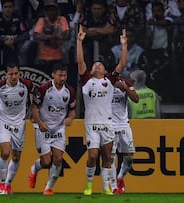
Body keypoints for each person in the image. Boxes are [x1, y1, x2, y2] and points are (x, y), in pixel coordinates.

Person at [77, 25, 127, 195]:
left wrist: (124, 46)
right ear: (91, 70)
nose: (97, 66)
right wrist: (79, 42)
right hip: (91, 124)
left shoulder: (110, 81)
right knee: (92, 156)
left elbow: (122, 64)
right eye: (95, 65)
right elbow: (81, 62)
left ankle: (106, 186)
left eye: (100, 65)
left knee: (107, 158)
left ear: (105, 70)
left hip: (107, 124)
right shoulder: (86, 81)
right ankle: (89, 184)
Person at [0, 64, 35, 195]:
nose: (14, 77)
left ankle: (8, 184)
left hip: (19, 124)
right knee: (6, 152)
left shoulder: (26, 85)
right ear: (6, 75)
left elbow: (33, 96)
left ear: (19, 73)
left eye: (16, 73)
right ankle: (1, 182)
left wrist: (33, 113)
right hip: (3, 122)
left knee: (16, 157)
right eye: (11, 74)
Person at [28, 63, 76, 195]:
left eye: (65, 75)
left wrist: (70, 119)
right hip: (43, 128)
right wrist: (39, 122)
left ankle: (48, 187)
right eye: (60, 75)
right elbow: (34, 107)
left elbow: (72, 110)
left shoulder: (70, 91)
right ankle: (34, 169)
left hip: (59, 129)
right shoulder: (44, 89)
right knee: (46, 162)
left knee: (58, 159)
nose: (63, 78)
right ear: (53, 75)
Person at [110, 78, 139, 194]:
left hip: (123, 125)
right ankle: (113, 187)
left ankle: (120, 177)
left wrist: (126, 88)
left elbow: (136, 99)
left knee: (129, 158)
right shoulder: (102, 84)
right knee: (110, 158)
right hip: (109, 125)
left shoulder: (125, 83)